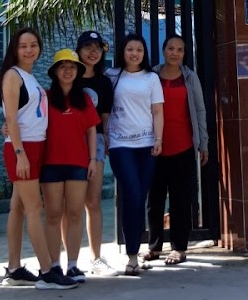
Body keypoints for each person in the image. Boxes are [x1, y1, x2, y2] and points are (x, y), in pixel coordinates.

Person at [0, 27, 77, 290]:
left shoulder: (30, 77)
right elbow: (11, 119)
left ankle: (14, 269)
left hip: (34, 147)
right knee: (35, 209)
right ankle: (47, 271)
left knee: (17, 208)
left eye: (33, 45)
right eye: (23, 46)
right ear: (14, 50)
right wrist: (20, 154)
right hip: (22, 149)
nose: (29, 50)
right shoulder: (12, 76)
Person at [144, 34, 209, 265]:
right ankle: (154, 247)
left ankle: (179, 248)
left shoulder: (190, 78)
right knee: (155, 200)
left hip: (183, 146)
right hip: (156, 147)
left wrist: (203, 143)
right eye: (171, 48)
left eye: (180, 49)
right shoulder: (151, 76)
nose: (175, 53)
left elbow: (200, 110)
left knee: (181, 200)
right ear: (163, 51)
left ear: (184, 54)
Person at [106, 33, 164, 276]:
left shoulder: (152, 78)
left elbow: (158, 112)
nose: (134, 53)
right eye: (130, 49)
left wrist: (159, 139)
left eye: (139, 50)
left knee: (139, 197)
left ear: (144, 53)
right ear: (123, 51)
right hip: (120, 145)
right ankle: (131, 256)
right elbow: (100, 105)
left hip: (147, 145)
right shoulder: (111, 76)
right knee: (131, 194)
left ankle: (135, 254)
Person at [41, 49, 101, 283]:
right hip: (51, 164)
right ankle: (54, 264)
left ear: (78, 71)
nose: (68, 71)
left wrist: (92, 160)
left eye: (72, 67)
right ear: (55, 71)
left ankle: (73, 265)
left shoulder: (84, 99)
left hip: (78, 164)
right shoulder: (44, 98)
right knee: (54, 214)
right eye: (63, 66)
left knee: (75, 213)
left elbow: (91, 130)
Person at [74, 30, 119, 277]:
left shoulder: (103, 82)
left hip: (97, 142)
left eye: (98, 47)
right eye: (88, 46)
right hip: (70, 142)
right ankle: (71, 261)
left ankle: (96, 258)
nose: (93, 51)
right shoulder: (69, 76)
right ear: (79, 50)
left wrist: (107, 141)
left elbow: (104, 118)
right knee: (70, 205)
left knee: (92, 202)